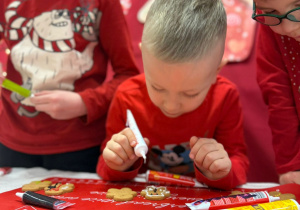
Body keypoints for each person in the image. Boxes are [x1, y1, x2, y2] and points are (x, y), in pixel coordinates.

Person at [97, 0, 249, 190]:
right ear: (144, 56)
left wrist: (223, 171)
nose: (171, 106)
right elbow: (105, 165)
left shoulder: (225, 97)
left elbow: (239, 162)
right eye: (158, 88)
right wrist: (116, 162)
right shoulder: (127, 97)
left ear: (216, 71)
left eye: (190, 93)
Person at [0, 0, 139, 172]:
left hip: (81, 147)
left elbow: (128, 76)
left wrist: (84, 103)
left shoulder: (104, 3)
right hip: (11, 142)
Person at [252, 0, 300, 184]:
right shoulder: (270, 28)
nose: (288, 28)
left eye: (298, 6)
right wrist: (292, 166)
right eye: (271, 11)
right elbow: (278, 96)